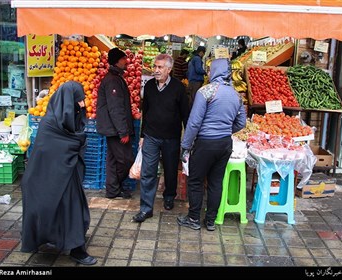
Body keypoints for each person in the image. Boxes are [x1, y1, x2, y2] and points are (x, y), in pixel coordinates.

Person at [21, 81, 97, 265]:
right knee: (70, 209)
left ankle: (75, 243)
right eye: (79, 99)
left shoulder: (66, 119)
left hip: (64, 173)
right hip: (46, 178)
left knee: (71, 209)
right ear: (69, 101)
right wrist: (75, 142)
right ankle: (77, 251)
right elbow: (54, 148)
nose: (83, 103)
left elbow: (73, 138)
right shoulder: (50, 123)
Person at [177, 58, 247, 231]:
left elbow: (194, 123)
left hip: (205, 143)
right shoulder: (236, 95)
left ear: (214, 71)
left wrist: (185, 145)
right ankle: (210, 221)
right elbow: (242, 123)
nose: (208, 73)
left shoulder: (206, 92)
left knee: (196, 181)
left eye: (209, 70)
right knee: (216, 182)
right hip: (224, 144)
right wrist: (225, 130)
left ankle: (193, 219)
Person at [132, 54, 190, 223]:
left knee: (170, 170)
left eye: (160, 67)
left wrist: (187, 138)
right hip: (151, 136)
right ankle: (146, 208)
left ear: (169, 69)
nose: (156, 70)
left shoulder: (179, 88)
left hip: (171, 137)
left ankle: (169, 196)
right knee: (148, 172)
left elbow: (185, 115)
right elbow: (146, 112)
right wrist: (142, 135)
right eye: (155, 67)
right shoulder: (149, 86)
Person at [96, 47, 134, 199]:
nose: (127, 61)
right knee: (126, 160)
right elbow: (115, 108)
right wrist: (123, 131)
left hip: (112, 127)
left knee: (112, 160)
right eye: (124, 58)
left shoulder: (115, 77)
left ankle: (113, 190)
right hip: (114, 128)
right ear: (118, 61)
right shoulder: (113, 80)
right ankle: (114, 187)